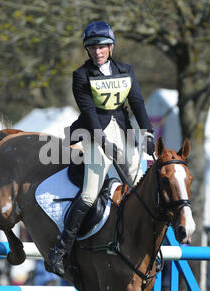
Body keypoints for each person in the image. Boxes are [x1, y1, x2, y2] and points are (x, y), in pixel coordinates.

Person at [48, 21, 155, 276]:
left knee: (140, 186)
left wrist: (147, 132)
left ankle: (148, 247)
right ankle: (61, 251)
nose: (98, 52)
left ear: (111, 47)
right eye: (93, 47)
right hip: (93, 132)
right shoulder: (81, 75)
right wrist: (101, 140)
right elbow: (88, 112)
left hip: (123, 129)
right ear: (88, 50)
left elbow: (137, 103)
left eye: (102, 47)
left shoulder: (126, 70)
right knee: (89, 193)